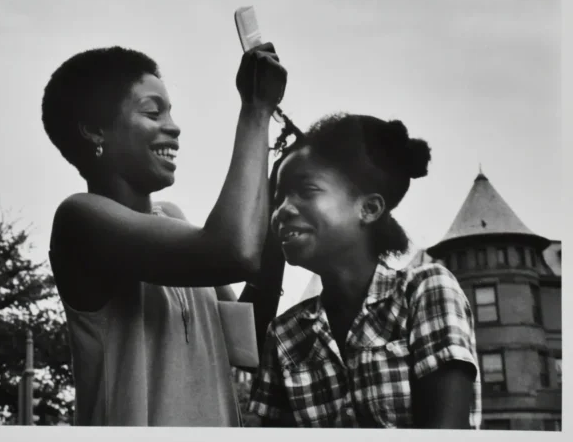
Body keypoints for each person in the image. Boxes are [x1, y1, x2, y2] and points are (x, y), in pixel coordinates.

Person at [41, 43, 289, 426]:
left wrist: (275, 205)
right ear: (94, 130)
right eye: (152, 112)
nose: (173, 126)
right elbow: (233, 252)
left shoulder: (173, 220)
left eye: (169, 112)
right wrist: (256, 112)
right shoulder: (80, 219)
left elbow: (248, 340)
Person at [248, 113, 481, 428]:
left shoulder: (425, 291)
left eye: (307, 190)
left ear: (368, 209)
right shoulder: (286, 334)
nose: (282, 210)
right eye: (278, 199)